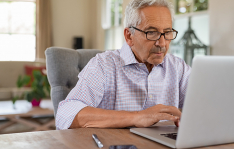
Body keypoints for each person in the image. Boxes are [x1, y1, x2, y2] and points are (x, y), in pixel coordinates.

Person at [56, 0, 191, 130]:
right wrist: (137, 117)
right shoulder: (104, 65)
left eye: (167, 33)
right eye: (151, 32)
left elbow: (207, 105)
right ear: (129, 36)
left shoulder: (178, 67)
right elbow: (66, 114)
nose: (162, 43)